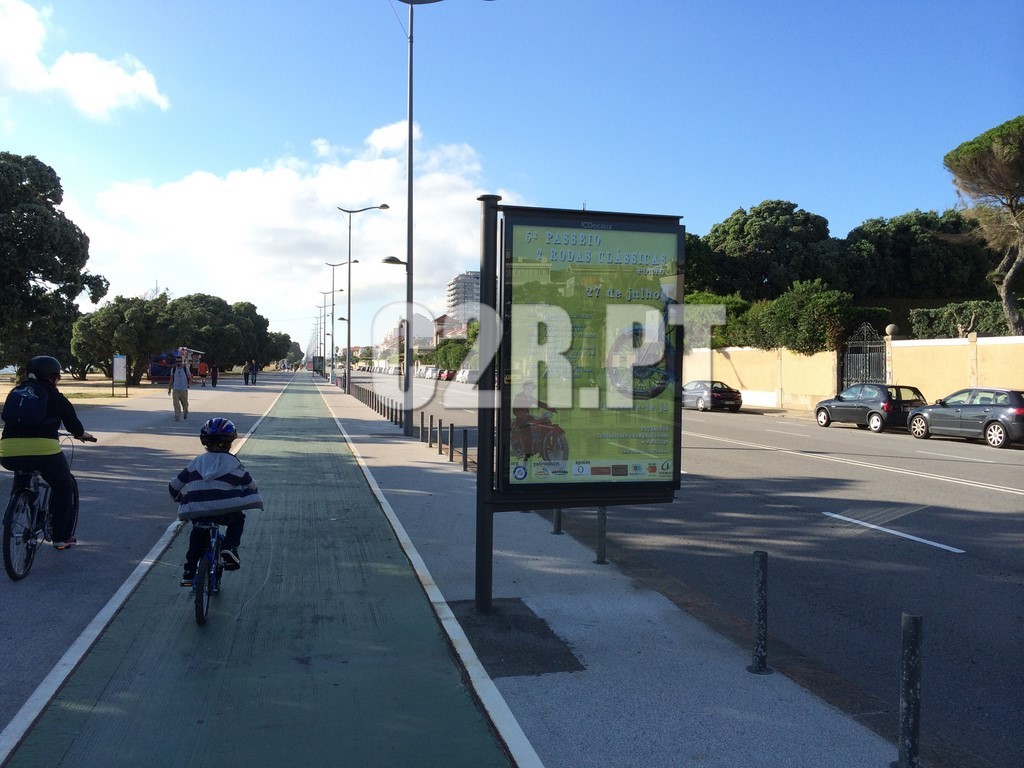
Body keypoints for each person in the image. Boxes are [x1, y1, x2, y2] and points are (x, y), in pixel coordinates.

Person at [0, 356, 97, 549]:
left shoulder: (15, 393)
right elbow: (73, 424)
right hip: (44, 452)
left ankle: (18, 501)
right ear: (51, 377)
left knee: (23, 467)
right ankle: (61, 537)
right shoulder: (55, 396)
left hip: (8, 451)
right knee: (63, 487)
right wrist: (81, 434)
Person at [168, 417, 264, 587]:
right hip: (224, 511)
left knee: (197, 535)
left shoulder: (196, 463)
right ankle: (229, 548)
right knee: (238, 519)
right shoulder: (233, 463)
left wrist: (179, 498)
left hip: (197, 510)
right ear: (229, 443)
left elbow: (174, 486)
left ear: (205, 443)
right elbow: (251, 484)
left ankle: (189, 572)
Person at [167, 356, 192, 421]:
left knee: (185, 403)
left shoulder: (185, 368)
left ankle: (185, 411)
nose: (178, 363)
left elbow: (189, 378)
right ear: (176, 362)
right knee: (176, 404)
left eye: (180, 361)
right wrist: (169, 388)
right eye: (177, 361)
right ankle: (177, 416)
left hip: (183, 389)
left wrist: (189, 384)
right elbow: (171, 379)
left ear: (182, 362)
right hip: (176, 389)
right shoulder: (173, 369)